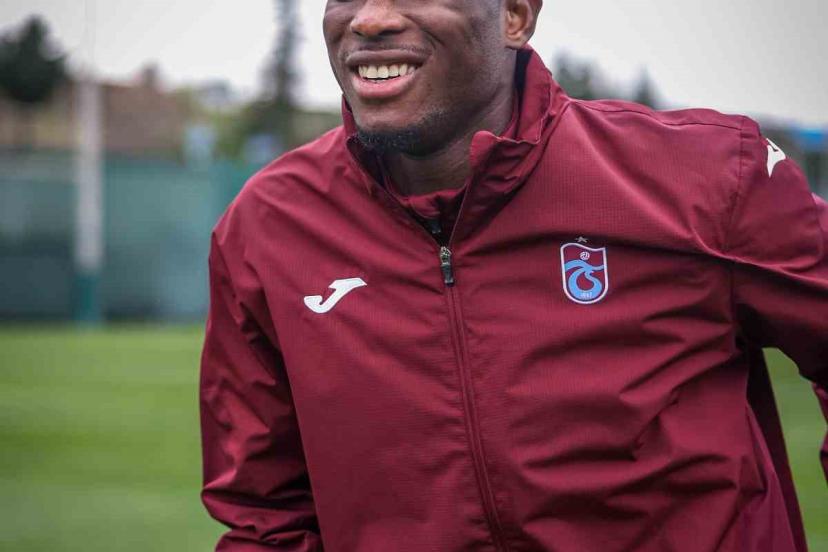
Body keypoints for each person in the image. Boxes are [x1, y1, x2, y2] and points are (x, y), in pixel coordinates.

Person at [199, 1, 828, 550]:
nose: (370, 18)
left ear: (516, 16)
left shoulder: (707, 176)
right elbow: (263, 515)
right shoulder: (270, 226)